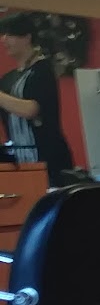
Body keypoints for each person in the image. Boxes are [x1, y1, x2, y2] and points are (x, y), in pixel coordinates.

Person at [0, 14, 74, 182]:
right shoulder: (7, 79)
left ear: (27, 37)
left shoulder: (43, 70)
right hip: (19, 161)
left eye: (10, 35)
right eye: (3, 35)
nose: (4, 40)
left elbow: (31, 109)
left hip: (48, 159)